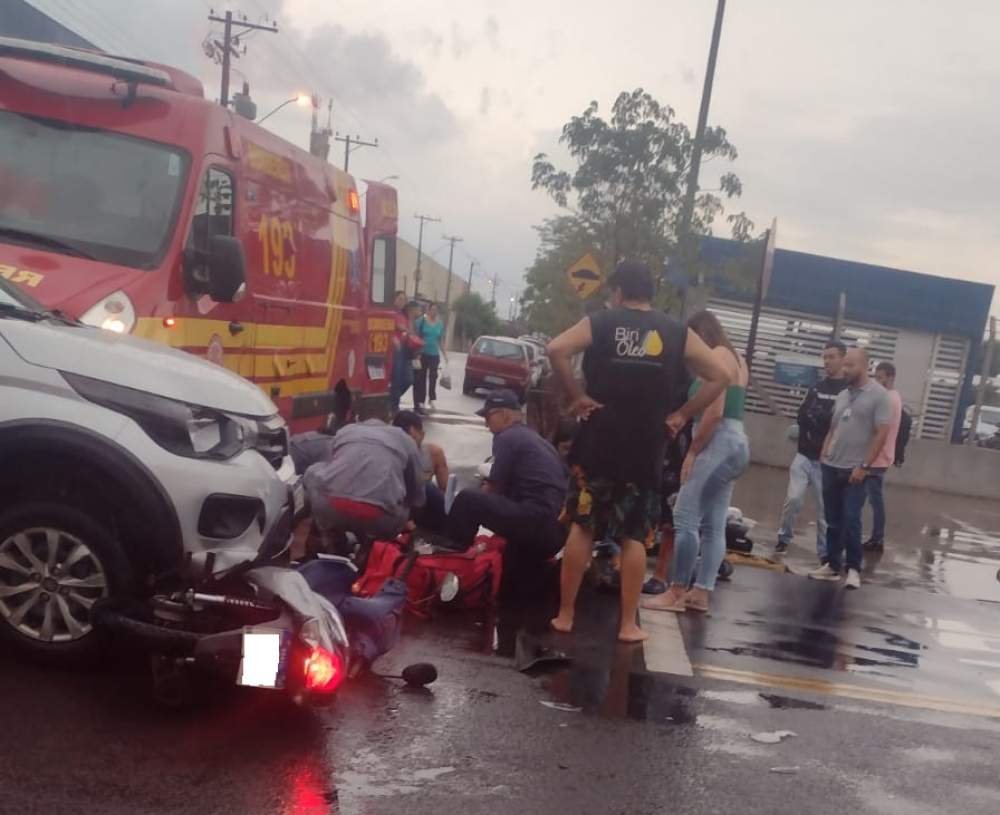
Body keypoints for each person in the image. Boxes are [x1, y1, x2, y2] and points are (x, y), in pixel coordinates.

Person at [547, 260, 730, 643]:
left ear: (617, 292)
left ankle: (565, 615)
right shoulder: (676, 332)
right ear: (651, 294)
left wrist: (578, 396)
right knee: (634, 536)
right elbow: (721, 377)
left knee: (583, 525)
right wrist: (681, 414)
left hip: (599, 438)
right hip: (647, 443)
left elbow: (556, 348)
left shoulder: (602, 322)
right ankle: (628, 624)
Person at [642, 310, 750, 615]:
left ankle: (676, 589)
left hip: (717, 441)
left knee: (684, 515)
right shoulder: (737, 357)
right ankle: (701, 593)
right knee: (713, 523)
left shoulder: (715, 356)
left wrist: (692, 452)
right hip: (737, 441)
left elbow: (714, 412)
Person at [446, 389, 567, 604]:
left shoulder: (507, 437)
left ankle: (452, 561)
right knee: (511, 570)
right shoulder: (539, 441)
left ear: (504, 414)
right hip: (554, 533)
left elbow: (494, 488)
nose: (486, 424)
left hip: (534, 521)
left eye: (487, 417)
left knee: (467, 499)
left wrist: (457, 512)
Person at [810, 348, 892, 589]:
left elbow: (882, 433)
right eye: (844, 365)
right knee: (833, 519)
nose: (845, 370)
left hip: (856, 469)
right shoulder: (843, 394)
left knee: (851, 518)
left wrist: (865, 465)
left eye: (850, 366)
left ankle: (853, 568)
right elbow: (834, 427)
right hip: (831, 465)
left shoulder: (879, 396)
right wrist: (825, 452)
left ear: (865, 366)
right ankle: (833, 566)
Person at [303, 418, 426, 548]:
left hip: (330, 509)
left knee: (314, 471)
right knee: (404, 505)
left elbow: (329, 468)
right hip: (381, 520)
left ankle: (325, 538)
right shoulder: (405, 439)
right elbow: (417, 492)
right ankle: (376, 551)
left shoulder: (345, 432)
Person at [775, 341, 847, 559]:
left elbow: (839, 422)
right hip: (804, 456)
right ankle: (783, 539)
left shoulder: (847, 391)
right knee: (794, 499)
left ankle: (824, 554)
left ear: (842, 359)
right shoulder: (816, 387)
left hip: (826, 462)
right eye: (824, 357)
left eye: (831, 357)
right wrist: (821, 419)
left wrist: (820, 418)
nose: (827, 361)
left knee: (825, 512)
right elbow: (803, 415)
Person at [863, 361, 902, 552]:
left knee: (873, 499)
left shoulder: (889, 399)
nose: (877, 382)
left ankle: (877, 538)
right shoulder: (893, 397)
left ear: (890, 377)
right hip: (879, 456)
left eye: (881, 378)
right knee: (871, 498)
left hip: (878, 457)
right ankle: (876, 537)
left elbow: (879, 428)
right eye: (876, 378)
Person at [392, 409, 450, 533]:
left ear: (422, 434)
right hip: (396, 506)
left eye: (413, 438)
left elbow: (445, 489)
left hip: (420, 506)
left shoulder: (434, 453)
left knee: (427, 488)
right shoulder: (390, 453)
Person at [389, 297, 423, 413]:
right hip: (399, 349)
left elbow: (413, 335)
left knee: (409, 379)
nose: (418, 312)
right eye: (417, 310)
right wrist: (408, 330)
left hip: (408, 350)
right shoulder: (399, 315)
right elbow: (399, 327)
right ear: (411, 309)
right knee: (397, 377)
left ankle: (393, 397)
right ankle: (394, 404)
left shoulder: (413, 321)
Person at [413, 302, 448, 414]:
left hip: (434, 354)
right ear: (428, 310)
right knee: (421, 378)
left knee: (433, 377)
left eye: (436, 310)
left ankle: (431, 398)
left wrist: (445, 354)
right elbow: (415, 335)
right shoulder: (421, 322)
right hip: (422, 353)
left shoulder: (440, 324)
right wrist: (416, 352)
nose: (434, 312)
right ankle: (420, 401)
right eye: (432, 309)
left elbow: (440, 340)